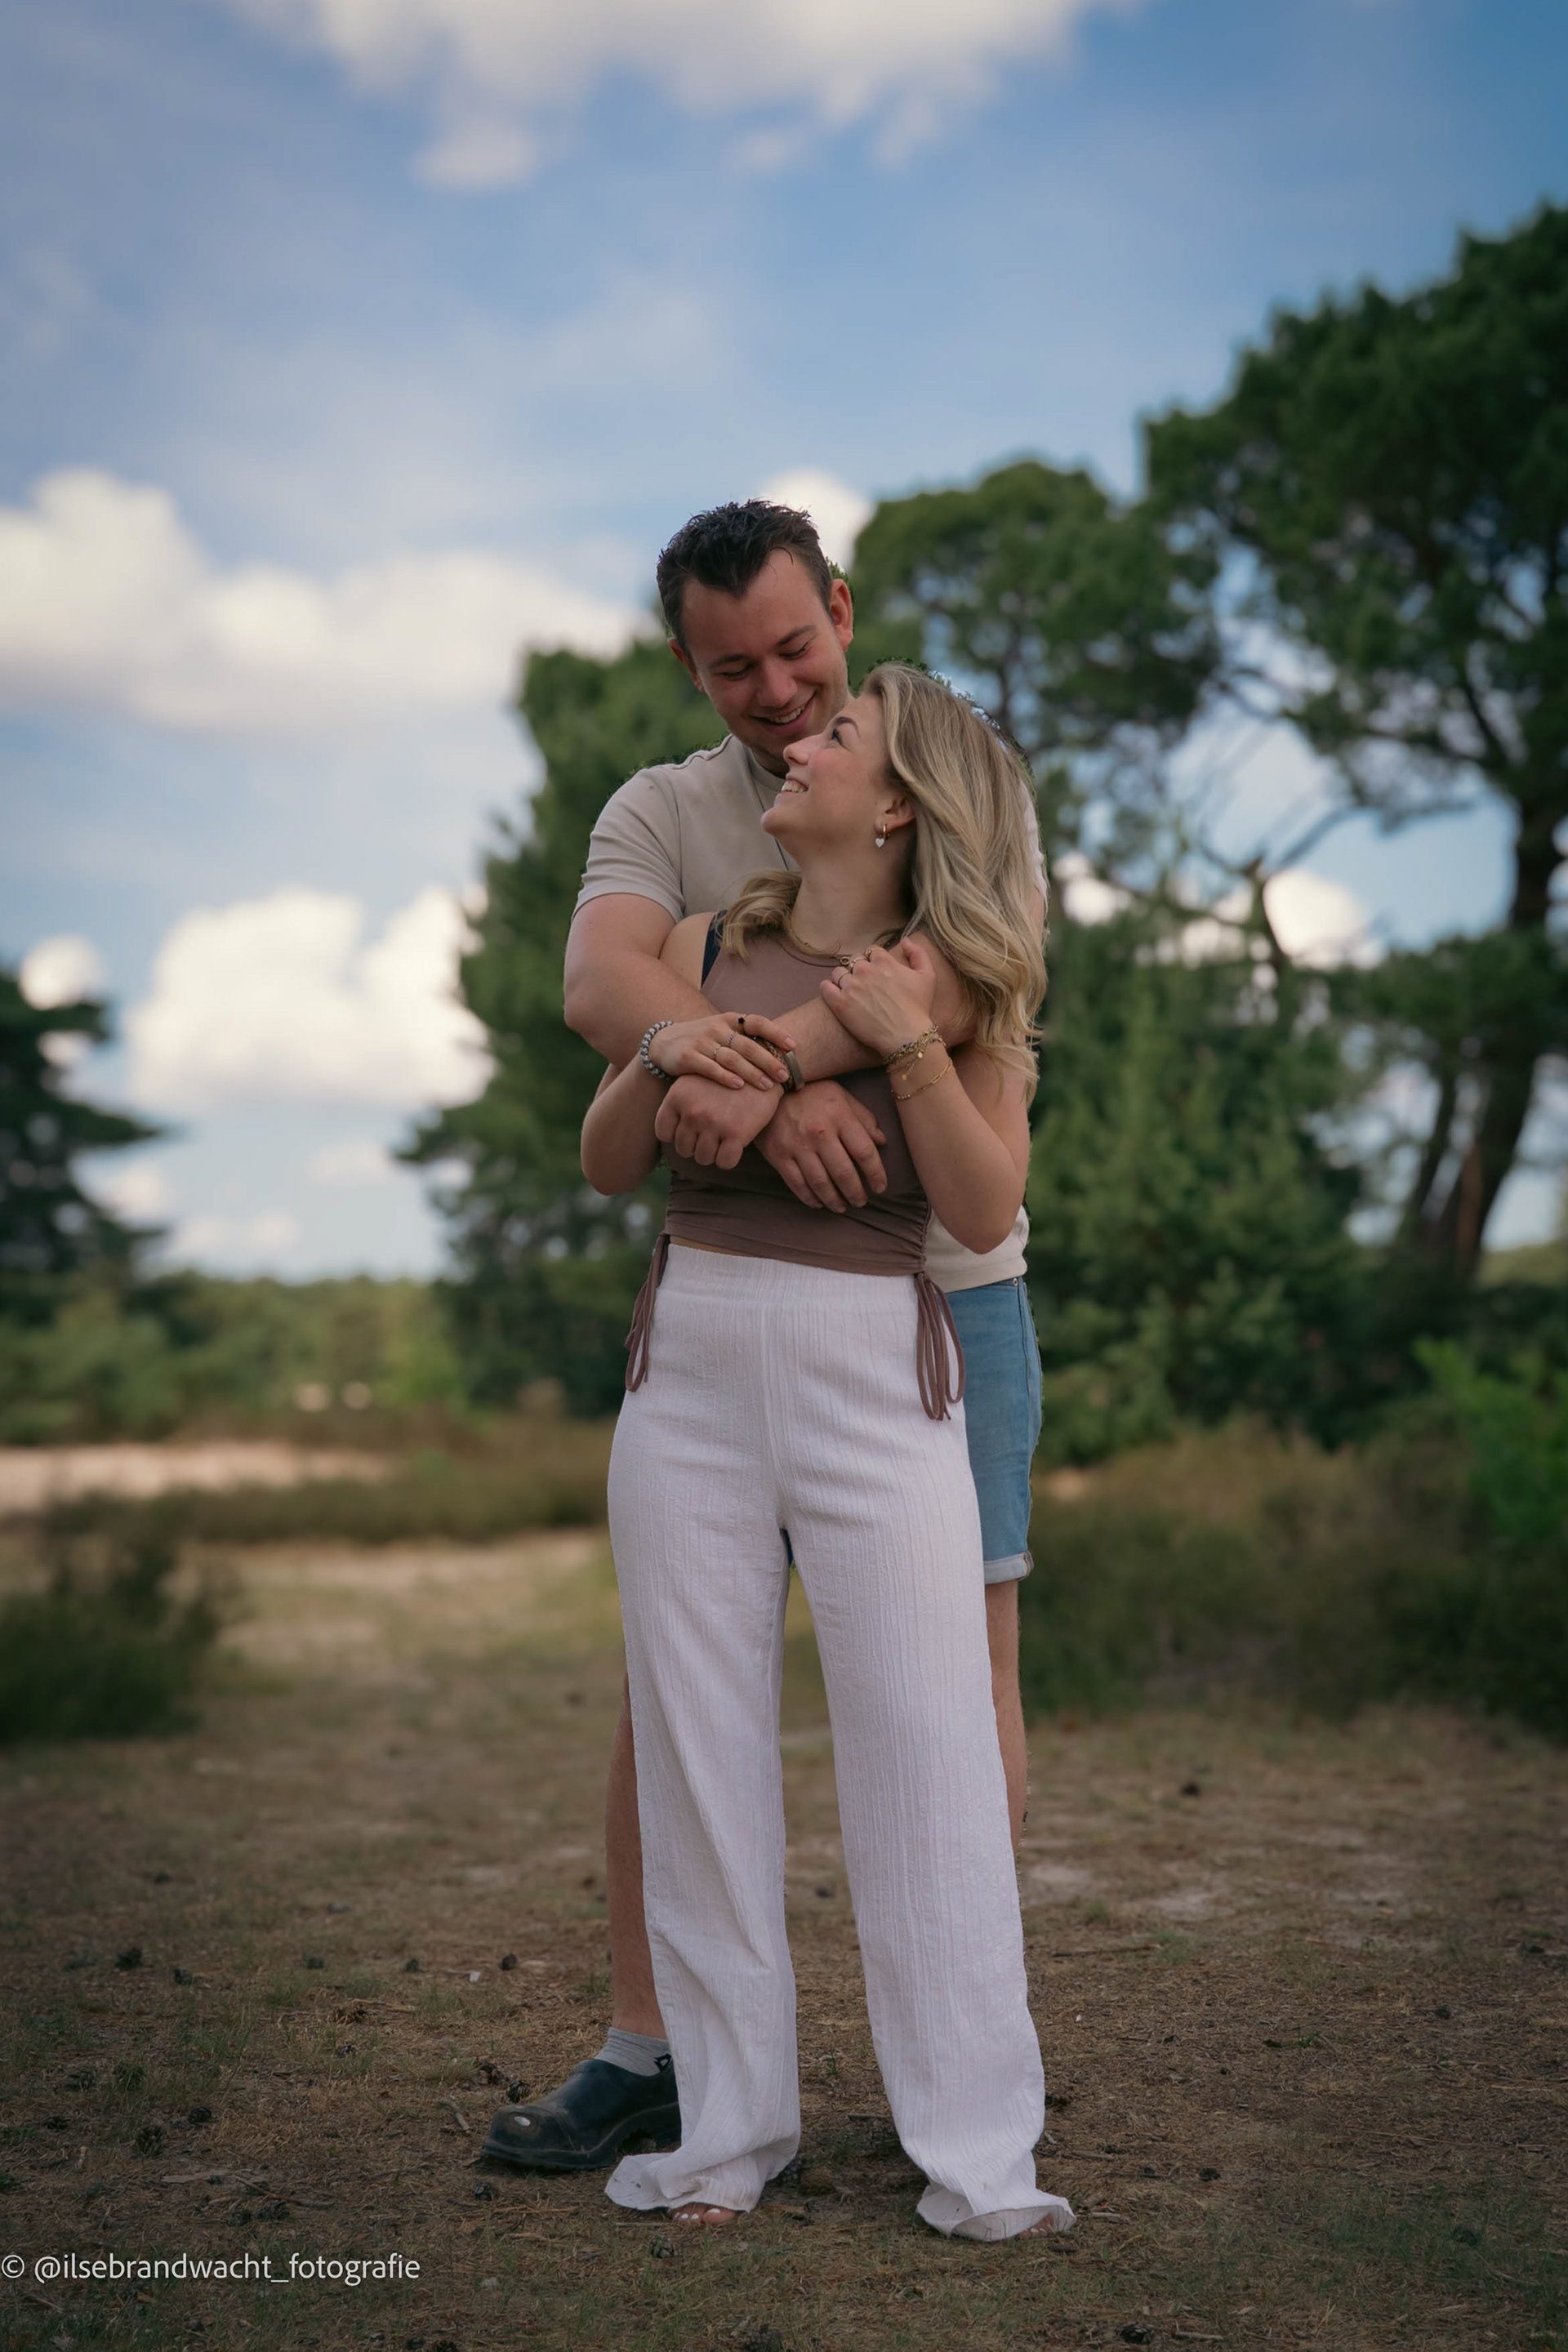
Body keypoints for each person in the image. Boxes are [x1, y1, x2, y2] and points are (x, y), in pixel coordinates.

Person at [483, 501, 1045, 2175]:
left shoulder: (942, 759)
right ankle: (657, 2048)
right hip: (729, 1296)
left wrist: (772, 1063)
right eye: (734, 668)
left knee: (956, 1690)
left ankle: (948, 2054)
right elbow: (603, 987)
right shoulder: (670, 818)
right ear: (690, 665)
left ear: (842, 613)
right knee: (682, 1680)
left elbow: (968, 973)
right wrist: (731, 1071)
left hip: (942, 1297)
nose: (779, 693)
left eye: (798, 650)